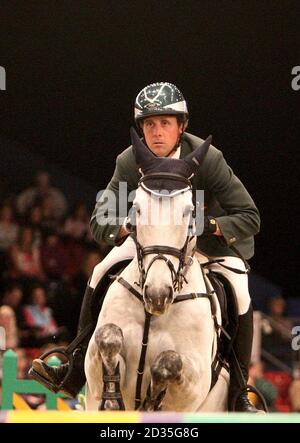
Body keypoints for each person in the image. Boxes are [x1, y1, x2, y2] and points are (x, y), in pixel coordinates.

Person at [29, 82, 261, 412]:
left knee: (240, 289)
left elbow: (250, 216)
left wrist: (210, 226)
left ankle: (239, 392)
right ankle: (75, 365)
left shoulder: (209, 160)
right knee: (99, 269)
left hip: (205, 245)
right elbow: (100, 219)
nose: (156, 131)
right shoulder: (130, 161)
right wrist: (127, 225)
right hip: (151, 243)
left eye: (165, 122)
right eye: (149, 124)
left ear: (182, 126)